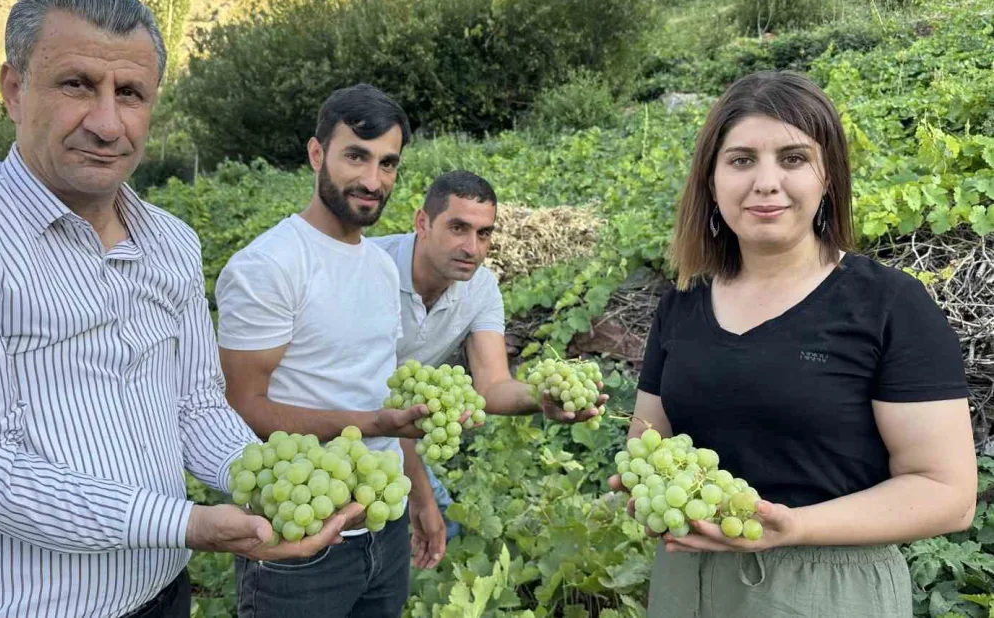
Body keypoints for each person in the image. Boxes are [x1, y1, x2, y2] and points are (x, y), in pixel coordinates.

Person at [0, 0, 356, 618]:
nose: (107, 123)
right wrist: (186, 524)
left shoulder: (172, 243)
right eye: (76, 85)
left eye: (130, 94)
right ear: (13, 89)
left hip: (162, 597)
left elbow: (196, 406)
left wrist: (273, 480)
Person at [609, 70, 977, 618]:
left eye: (793, 158)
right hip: (688, 586)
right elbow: (651, 440)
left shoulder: (890, 306)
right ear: (710, 180)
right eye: (740, 160)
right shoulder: (682, 304)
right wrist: (642, 489)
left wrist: (796, 526)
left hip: (828, 589)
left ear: (827, 177)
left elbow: (948, 493)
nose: (765, 181)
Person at [215, 84, 434, 618]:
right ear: (317, 155)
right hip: (301, 537)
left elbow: (381, 390)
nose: (372, 180)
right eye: (355, 156)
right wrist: (373, 423)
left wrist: (420, 498)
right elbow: (245, 406)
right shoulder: (268, 266)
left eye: (388, 163)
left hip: (383, 523)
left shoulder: (383, 266)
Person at [371, 169, 608, 568]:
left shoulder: (480, 288)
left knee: (433, 526)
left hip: (399, 423)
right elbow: (371, 400)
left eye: (484, 234)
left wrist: (542, 396)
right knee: (384, 528)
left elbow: (493, 385)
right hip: (334, 418)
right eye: (458, 228)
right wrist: (422, 495)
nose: (472, 248)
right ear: (422, 223)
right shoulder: (370, 269)